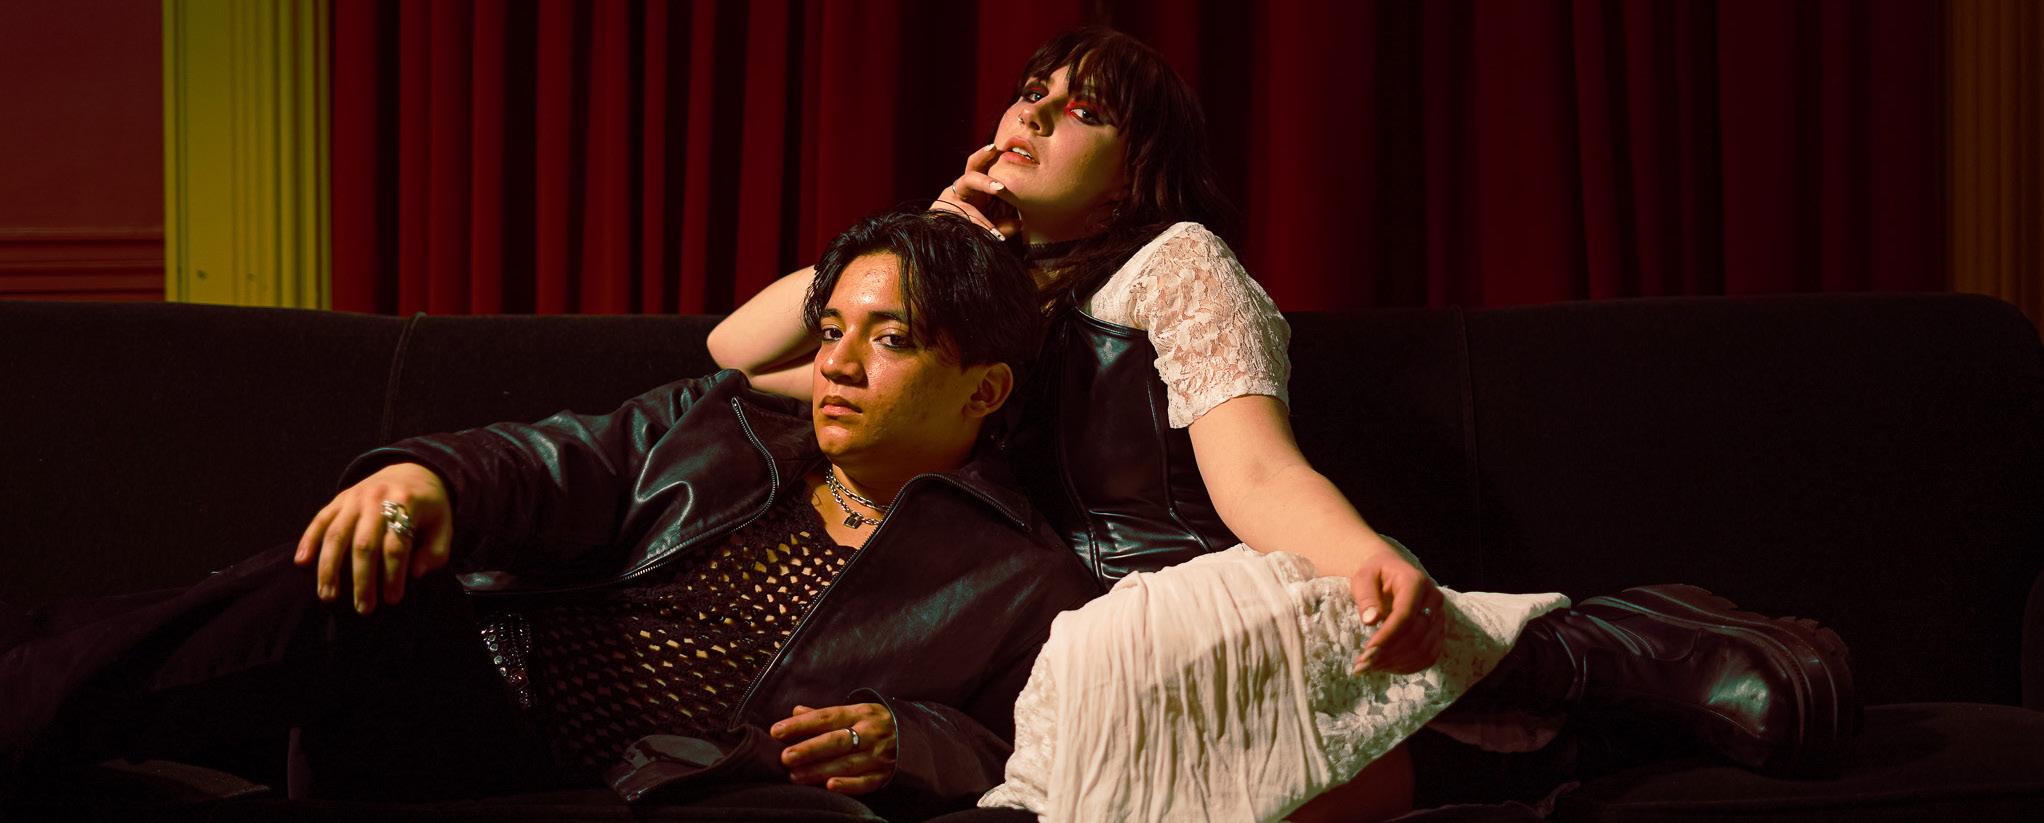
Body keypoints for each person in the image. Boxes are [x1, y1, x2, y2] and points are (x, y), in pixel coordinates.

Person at [710, 27, 1857, 821]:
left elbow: (1254, 471)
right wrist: (932, 234)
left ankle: (1603, 662)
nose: (1032, 116)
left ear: (1133, 174)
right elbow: (739, 354)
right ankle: (1559, 718)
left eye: (1081, 111)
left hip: (1191, 602)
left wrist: (1363, 557)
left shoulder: (1178, 264)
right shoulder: (972, 311)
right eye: (1030, 94)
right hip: (1046, 639)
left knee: (1131, 702)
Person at [1, 211, 1098, 822]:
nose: (838, 365)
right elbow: (548, 461)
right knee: (348, 580)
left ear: (985, 389)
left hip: (604, 784)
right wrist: (424, 480)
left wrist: (910, 740)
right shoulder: (718, 422)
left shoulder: (1021, 579)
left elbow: (1034, 748)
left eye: (889, 338)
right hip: (462, 694)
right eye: (831, 330)